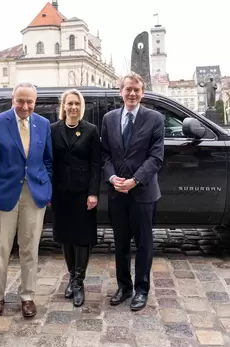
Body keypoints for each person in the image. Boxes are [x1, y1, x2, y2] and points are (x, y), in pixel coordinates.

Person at [0, 82, 52, 318]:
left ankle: (28, 296)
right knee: (0, 249)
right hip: (2, 196)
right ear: (13, 99)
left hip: (34, 196)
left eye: (30, 102)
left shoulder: (43, 124)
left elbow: (48, 161)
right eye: (21, 101)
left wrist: (46, 187)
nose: (25, 106)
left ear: (35, 101)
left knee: (30, 248)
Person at [101, 72, 165, 311]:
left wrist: (135, 180)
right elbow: (105, 153)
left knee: (144, 244)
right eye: (128, 89)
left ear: (142, 92)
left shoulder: (155, 119)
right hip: (117, 193)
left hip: (143, 193)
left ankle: (141, 289)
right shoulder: (109, 118)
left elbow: (156, 157)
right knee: (120, 243)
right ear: (121, 91)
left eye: (137, 89)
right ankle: (124, 286)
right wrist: (112, 177)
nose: (132, 93)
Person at [50, 89, 101, 307]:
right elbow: (49, 161)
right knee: (66, 237)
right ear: (63, 106)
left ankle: (78, 282)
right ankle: (72, 276)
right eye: (69, 103)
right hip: (60, 193)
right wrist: (48, 192)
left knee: (82, 238)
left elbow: (96, 164)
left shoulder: (90, 130)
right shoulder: (53, 130)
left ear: (81, 107)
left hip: (82, 194)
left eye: (77, 104)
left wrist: (93, 193)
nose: (73, 107)